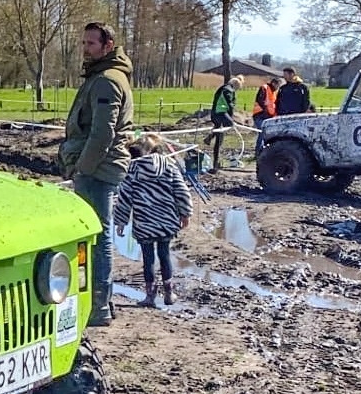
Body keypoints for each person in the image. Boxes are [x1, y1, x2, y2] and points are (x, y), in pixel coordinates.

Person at [59, 22, 134, 327]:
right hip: (100, 167)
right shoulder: (103, 76)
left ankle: (98, 306)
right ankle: (103, 301)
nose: (85, 49)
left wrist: (82, 168)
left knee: (98, 237)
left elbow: (103, 133)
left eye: (91, 44)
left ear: (107, 45)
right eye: (84, 43)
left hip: (98, 169)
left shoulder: (106, 80)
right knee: (98, 235)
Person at [113, 134, 193, 308]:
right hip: (166, 221)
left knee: (147, 258)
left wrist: (120, 220)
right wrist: (185, 213)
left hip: (144, 222)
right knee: (164, 255)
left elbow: (124, 196)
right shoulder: (170, 166)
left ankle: (149, 296)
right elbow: (182, 190)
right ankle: (169, 294)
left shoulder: (132, 169)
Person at [204, 74, 244, 171]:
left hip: (217, 113)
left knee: (219, 133)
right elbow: (229, 104)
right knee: (220, 137)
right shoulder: (228, 90)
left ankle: (209, 138)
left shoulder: (224, 88)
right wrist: (231, 118)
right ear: (235, 85)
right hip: (220, 114)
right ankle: (215, 164)